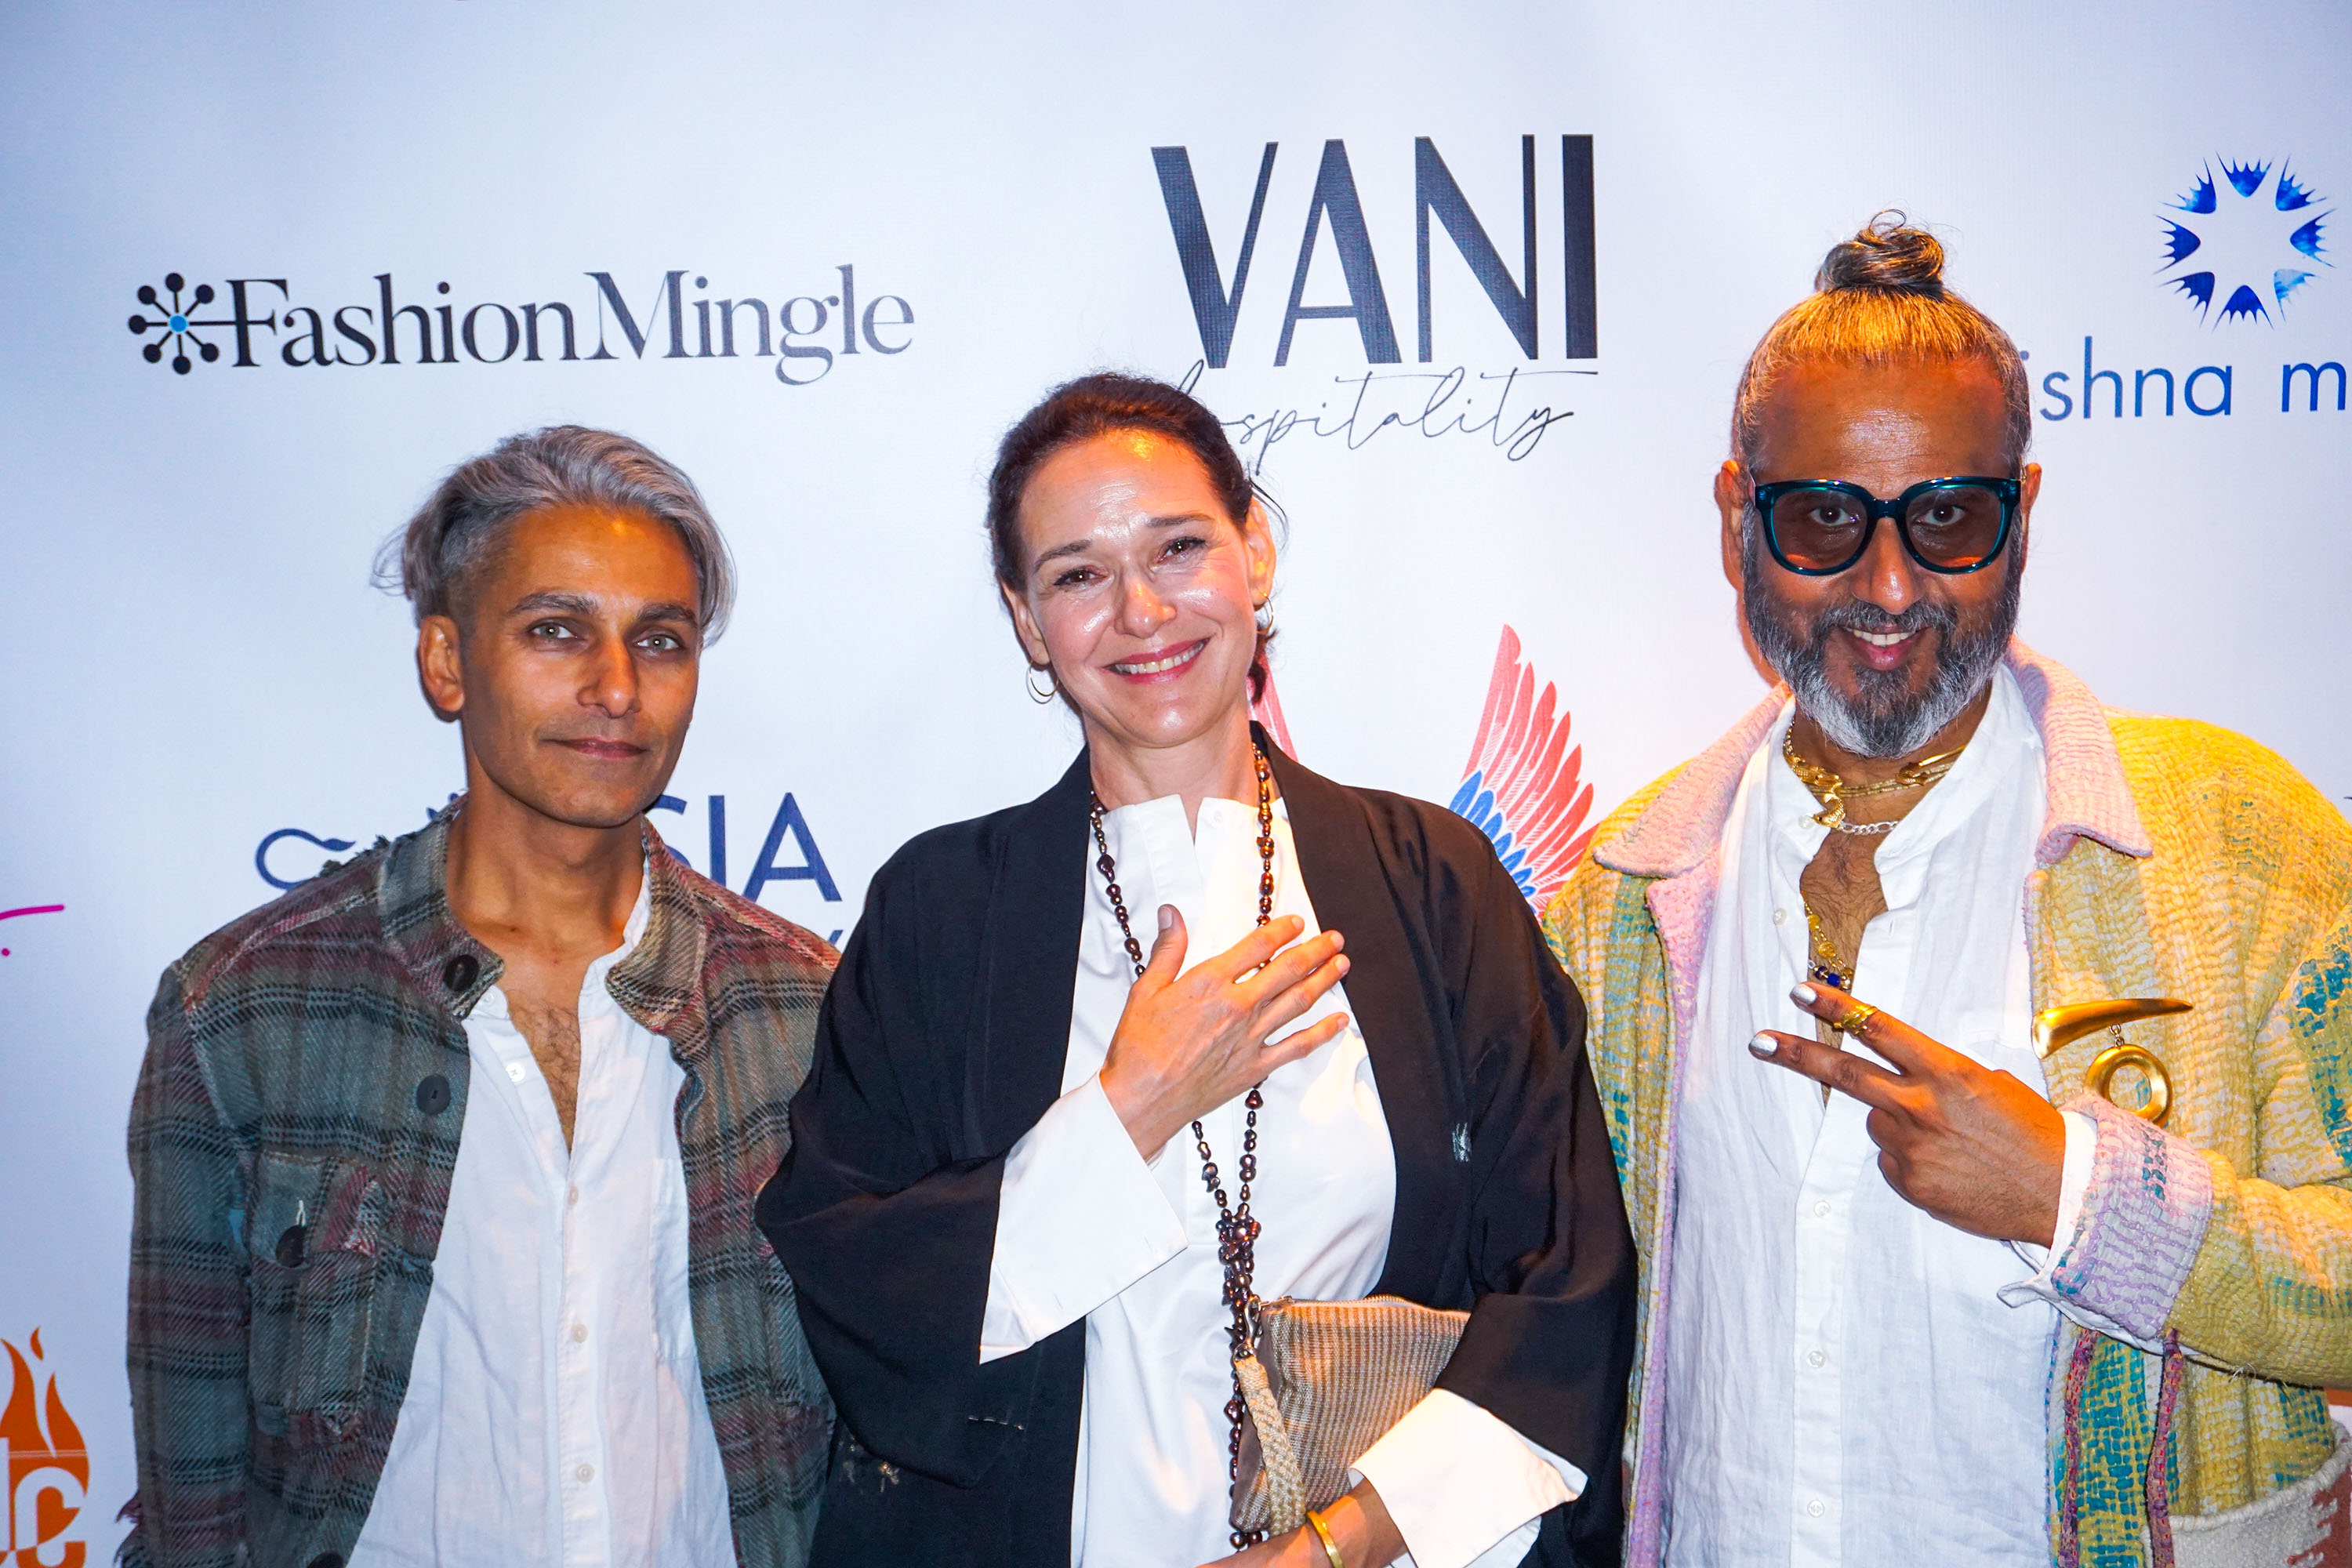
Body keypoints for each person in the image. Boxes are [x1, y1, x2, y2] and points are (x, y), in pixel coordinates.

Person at [1544, 215, 2352, 1568]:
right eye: (1822, 520)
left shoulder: (2235, 842)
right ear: (1739, 519)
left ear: (2021, 513)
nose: (1889, 586)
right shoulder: (1623, 898)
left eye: (1948, 519)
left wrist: (2078, 1195)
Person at [757, 373, 1635, 1568]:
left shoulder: (1434, 882)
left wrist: (1340, 1548)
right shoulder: (939, 912)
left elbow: (1565, 1281)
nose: (1141, 612)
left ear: (1255, 554)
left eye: (1178, 548)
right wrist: (1132, 1109)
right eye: (1077, 575)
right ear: (1025, 619)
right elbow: (855, 1277)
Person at [122, 427, 836, 1568]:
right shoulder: (244, 1010)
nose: (615, 688)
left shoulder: (801, 1007)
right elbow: (191, 1484)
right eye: (557, 631)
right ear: (447, 662)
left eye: (661, 639)